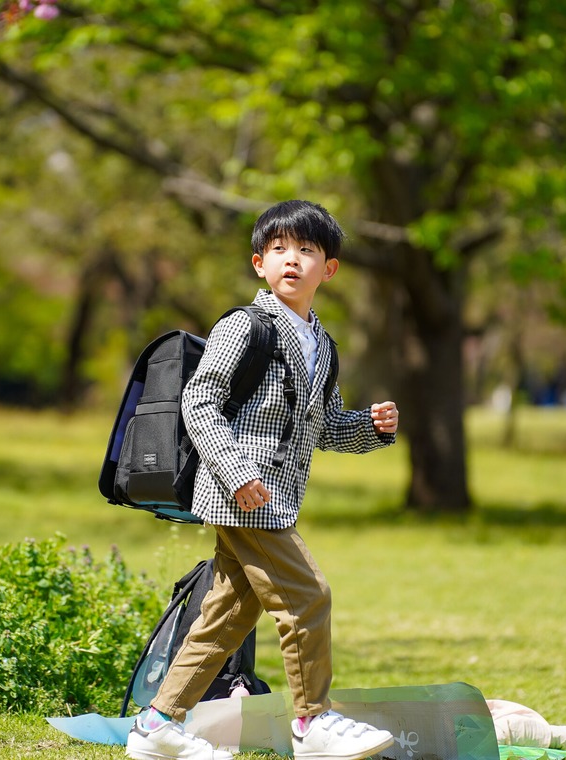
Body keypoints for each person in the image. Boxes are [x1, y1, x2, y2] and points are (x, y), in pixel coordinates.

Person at [126, 200, 400, 760]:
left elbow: (324, 428)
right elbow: (199, 400)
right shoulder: (243, 326)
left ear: (330, 269)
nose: (291, 260)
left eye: (306, 250)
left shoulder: (322, 345)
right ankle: (313, 724)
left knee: (225, 618)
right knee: (308, 596)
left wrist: (369, 427)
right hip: (243, 495)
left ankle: (155, 727)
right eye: (278, 250)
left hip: (277, 496)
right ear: (259, 263)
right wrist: (237, 473)